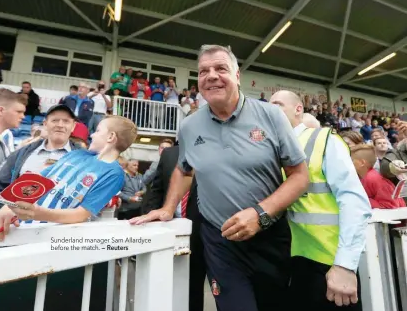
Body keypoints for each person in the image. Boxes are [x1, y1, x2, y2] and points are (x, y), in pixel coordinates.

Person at [131, 45, 309, 311]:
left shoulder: (271, 116)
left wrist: (260, 214)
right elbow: (183, 168)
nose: (211, 75)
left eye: (220, 68)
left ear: (237, 76)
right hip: (220, 241)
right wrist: (168, 208)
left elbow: (299, 176)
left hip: (270, 237)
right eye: (204, 71)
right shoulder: (190, 125)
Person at [269, 90, 371, 310]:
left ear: (298, 109)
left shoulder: (323, 140)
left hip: (327, 265)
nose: (271, 110)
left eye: (277, 104)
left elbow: (354, 201)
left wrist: (344, 265)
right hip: (289, 265)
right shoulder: (271, 150)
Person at [0, 115, 137, 241]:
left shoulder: (114, 174)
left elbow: (81, 214)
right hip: (19, 228)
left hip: (49, 238)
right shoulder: (76, 154)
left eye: (98, 131)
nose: (92, 135)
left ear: (111, 137)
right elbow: (36, 181)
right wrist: (7, 207)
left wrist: (37, 212)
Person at [142, 136, 206, 311]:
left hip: (201, 232)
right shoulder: (170, 154)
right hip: (168, 229)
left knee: (194, 283)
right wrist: (151, 221)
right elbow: (156, 190)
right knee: (163, 282)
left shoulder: (215, 152)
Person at [0, 104, 81, 217]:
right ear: (45, 124)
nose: (60, 125)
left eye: (66, 121)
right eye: (55, 120)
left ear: (73, 126)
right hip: (19, 227)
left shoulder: (84, 159)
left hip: (60, 227)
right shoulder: (21, 153)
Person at [350, 144, 406, 209]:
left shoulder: (372, 178)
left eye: (351, 160)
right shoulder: (366, 176)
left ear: (362, 163)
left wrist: (361, 200)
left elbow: (390, 205)